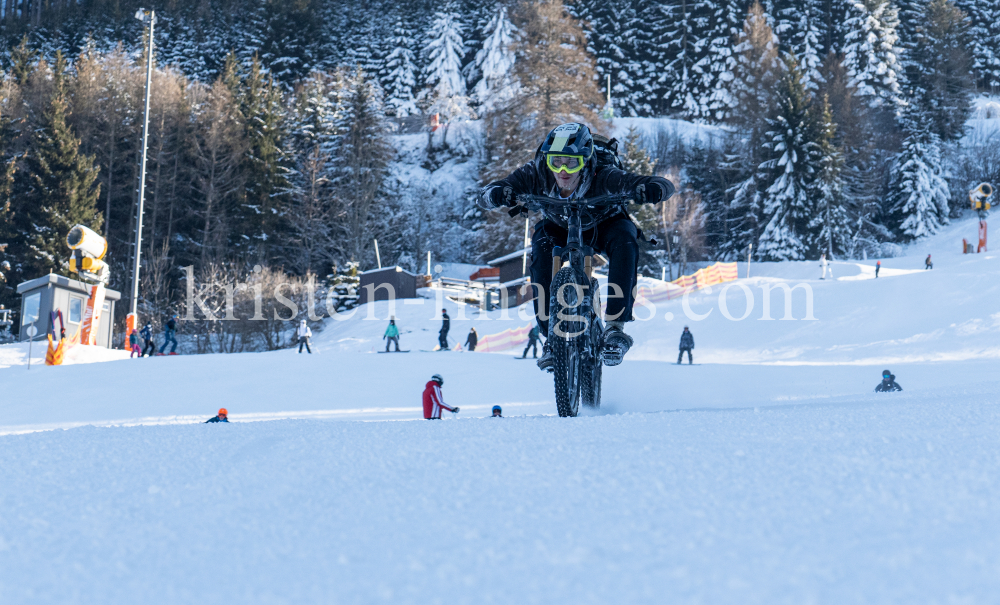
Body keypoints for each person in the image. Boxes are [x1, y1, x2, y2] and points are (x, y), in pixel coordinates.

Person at [478, 122, 674, 370]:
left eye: (572, 163)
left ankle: (615, 328)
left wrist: (651, 189)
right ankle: (551, 337)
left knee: (626, 237)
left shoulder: (604, 175)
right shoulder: (536, 174)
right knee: (540, 244)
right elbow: (485, 194)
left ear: (586, 160)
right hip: (559, 226)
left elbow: (662, 185)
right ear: (546, 160)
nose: (562, 171)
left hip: (603, 225)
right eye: (555, 162)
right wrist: (498, 193)